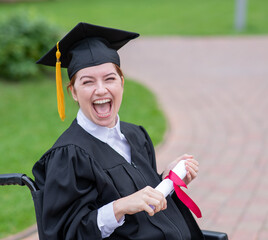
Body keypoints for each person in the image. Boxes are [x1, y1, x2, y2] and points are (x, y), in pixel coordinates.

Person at [32, 22, 203, 240]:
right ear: (73, 92)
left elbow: (145, 206)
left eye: (109, 78)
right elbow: (66, 234)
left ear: (121, 83)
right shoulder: (69, 157)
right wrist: (118, 207)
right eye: (87, 82)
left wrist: (167, 180)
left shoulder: (136, 136)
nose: (101, 89)